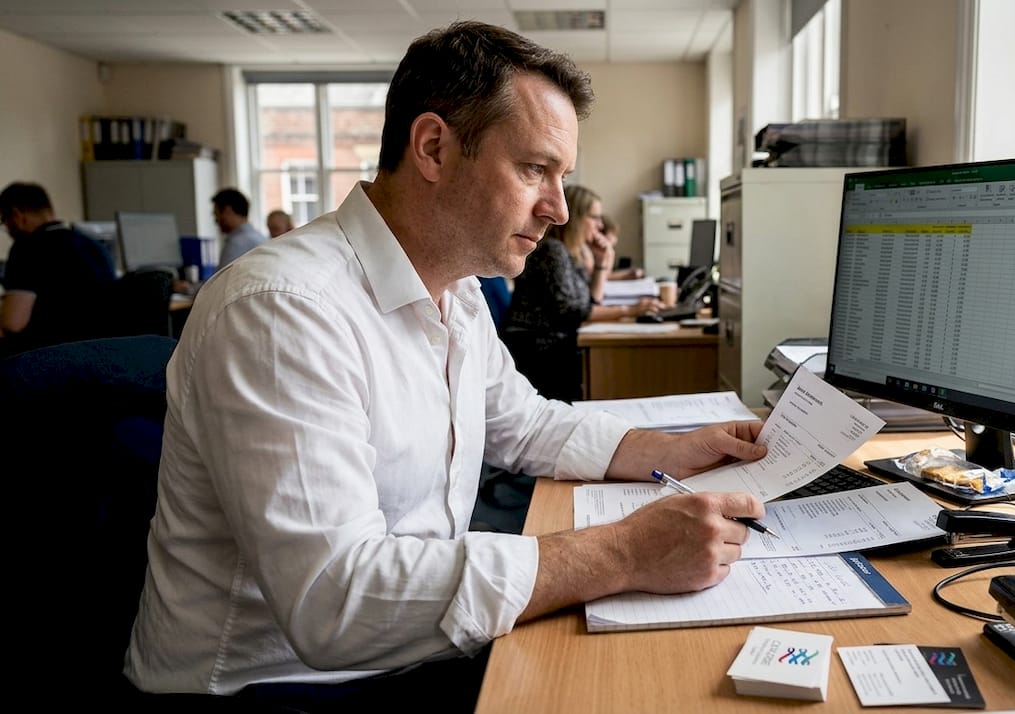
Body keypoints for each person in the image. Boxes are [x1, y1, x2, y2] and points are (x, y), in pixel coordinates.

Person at [125, 21, 767, 711]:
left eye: (562, 178)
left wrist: (672, 451)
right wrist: (623, 554)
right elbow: (334, 602)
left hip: (398, 646)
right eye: (534, 170)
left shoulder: (452, 290)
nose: (556, 209)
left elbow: (526, 424)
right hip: (273, 685)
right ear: (433, 148)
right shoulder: (283, 310)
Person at [503, 184, 661, 401]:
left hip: (558, 346)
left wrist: (601, 264)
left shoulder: (569, 252)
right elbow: (574, 311)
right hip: (540, 352)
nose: (599, 225)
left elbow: (591, 300)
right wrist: (632, 310)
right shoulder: (553, 251)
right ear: (576, 217)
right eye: (594, 217)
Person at [0, 182, 116, 357]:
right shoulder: (95, 246)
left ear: (17, 215)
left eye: (5, 222)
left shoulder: (27, 248)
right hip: (104, 358)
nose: (7, 230)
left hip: (53, 359)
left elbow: (12, 324)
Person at [212, 187, 267, 268]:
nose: (216, 220)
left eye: (216, 214)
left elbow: (222, 280)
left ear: (228, 211)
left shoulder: (236, 244)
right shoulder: (261, 237)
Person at [600, 214, 644, 280]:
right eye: (613, 234)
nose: (615, 239)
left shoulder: (609, 251)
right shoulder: (604, 253)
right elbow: (605, 277)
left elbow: (607, 274)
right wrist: (627, 275)